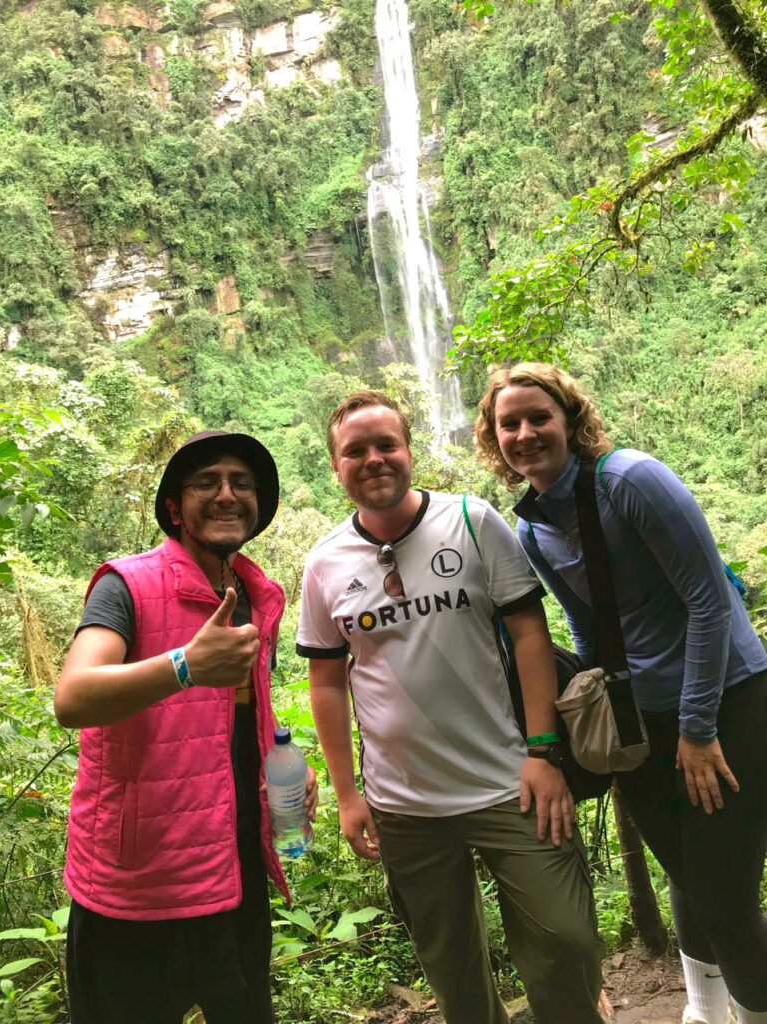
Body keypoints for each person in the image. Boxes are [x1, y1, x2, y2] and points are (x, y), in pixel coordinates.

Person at [296, 391, 605, 1024]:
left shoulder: (472, 520)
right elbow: (326, 681)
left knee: (567, 937)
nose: (374, 459)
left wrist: (544, 751)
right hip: (404, 804)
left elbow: (530, 634)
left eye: (387, 444)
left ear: (409, 451)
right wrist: (347, 794)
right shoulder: (324, 563)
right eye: (356, 451)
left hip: (510, 780)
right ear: (335, 467)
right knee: (450, 966)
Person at [475, 363, 767, 1024]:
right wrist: (596, 718)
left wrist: (697, 729)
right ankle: (704, 1011)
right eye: (509, 424)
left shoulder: (630, 480)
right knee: (687, 875)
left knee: (724, 898)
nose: (525, 433)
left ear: (570, 420)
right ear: (494, 440)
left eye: (539, 417)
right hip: (643, 717)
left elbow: (708, 602)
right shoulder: (532, 529)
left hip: (726, 701)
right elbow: (586, 627)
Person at [55, 430, 318, 1024]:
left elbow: (234, 713)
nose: (227, 494)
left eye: (241, 483)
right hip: (136, 886)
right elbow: (72, 697)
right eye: (207, 482)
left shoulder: (253, 595)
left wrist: (280, 762)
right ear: (175, 508)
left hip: (233, 872)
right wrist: (184, 666)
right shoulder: (126, 584)